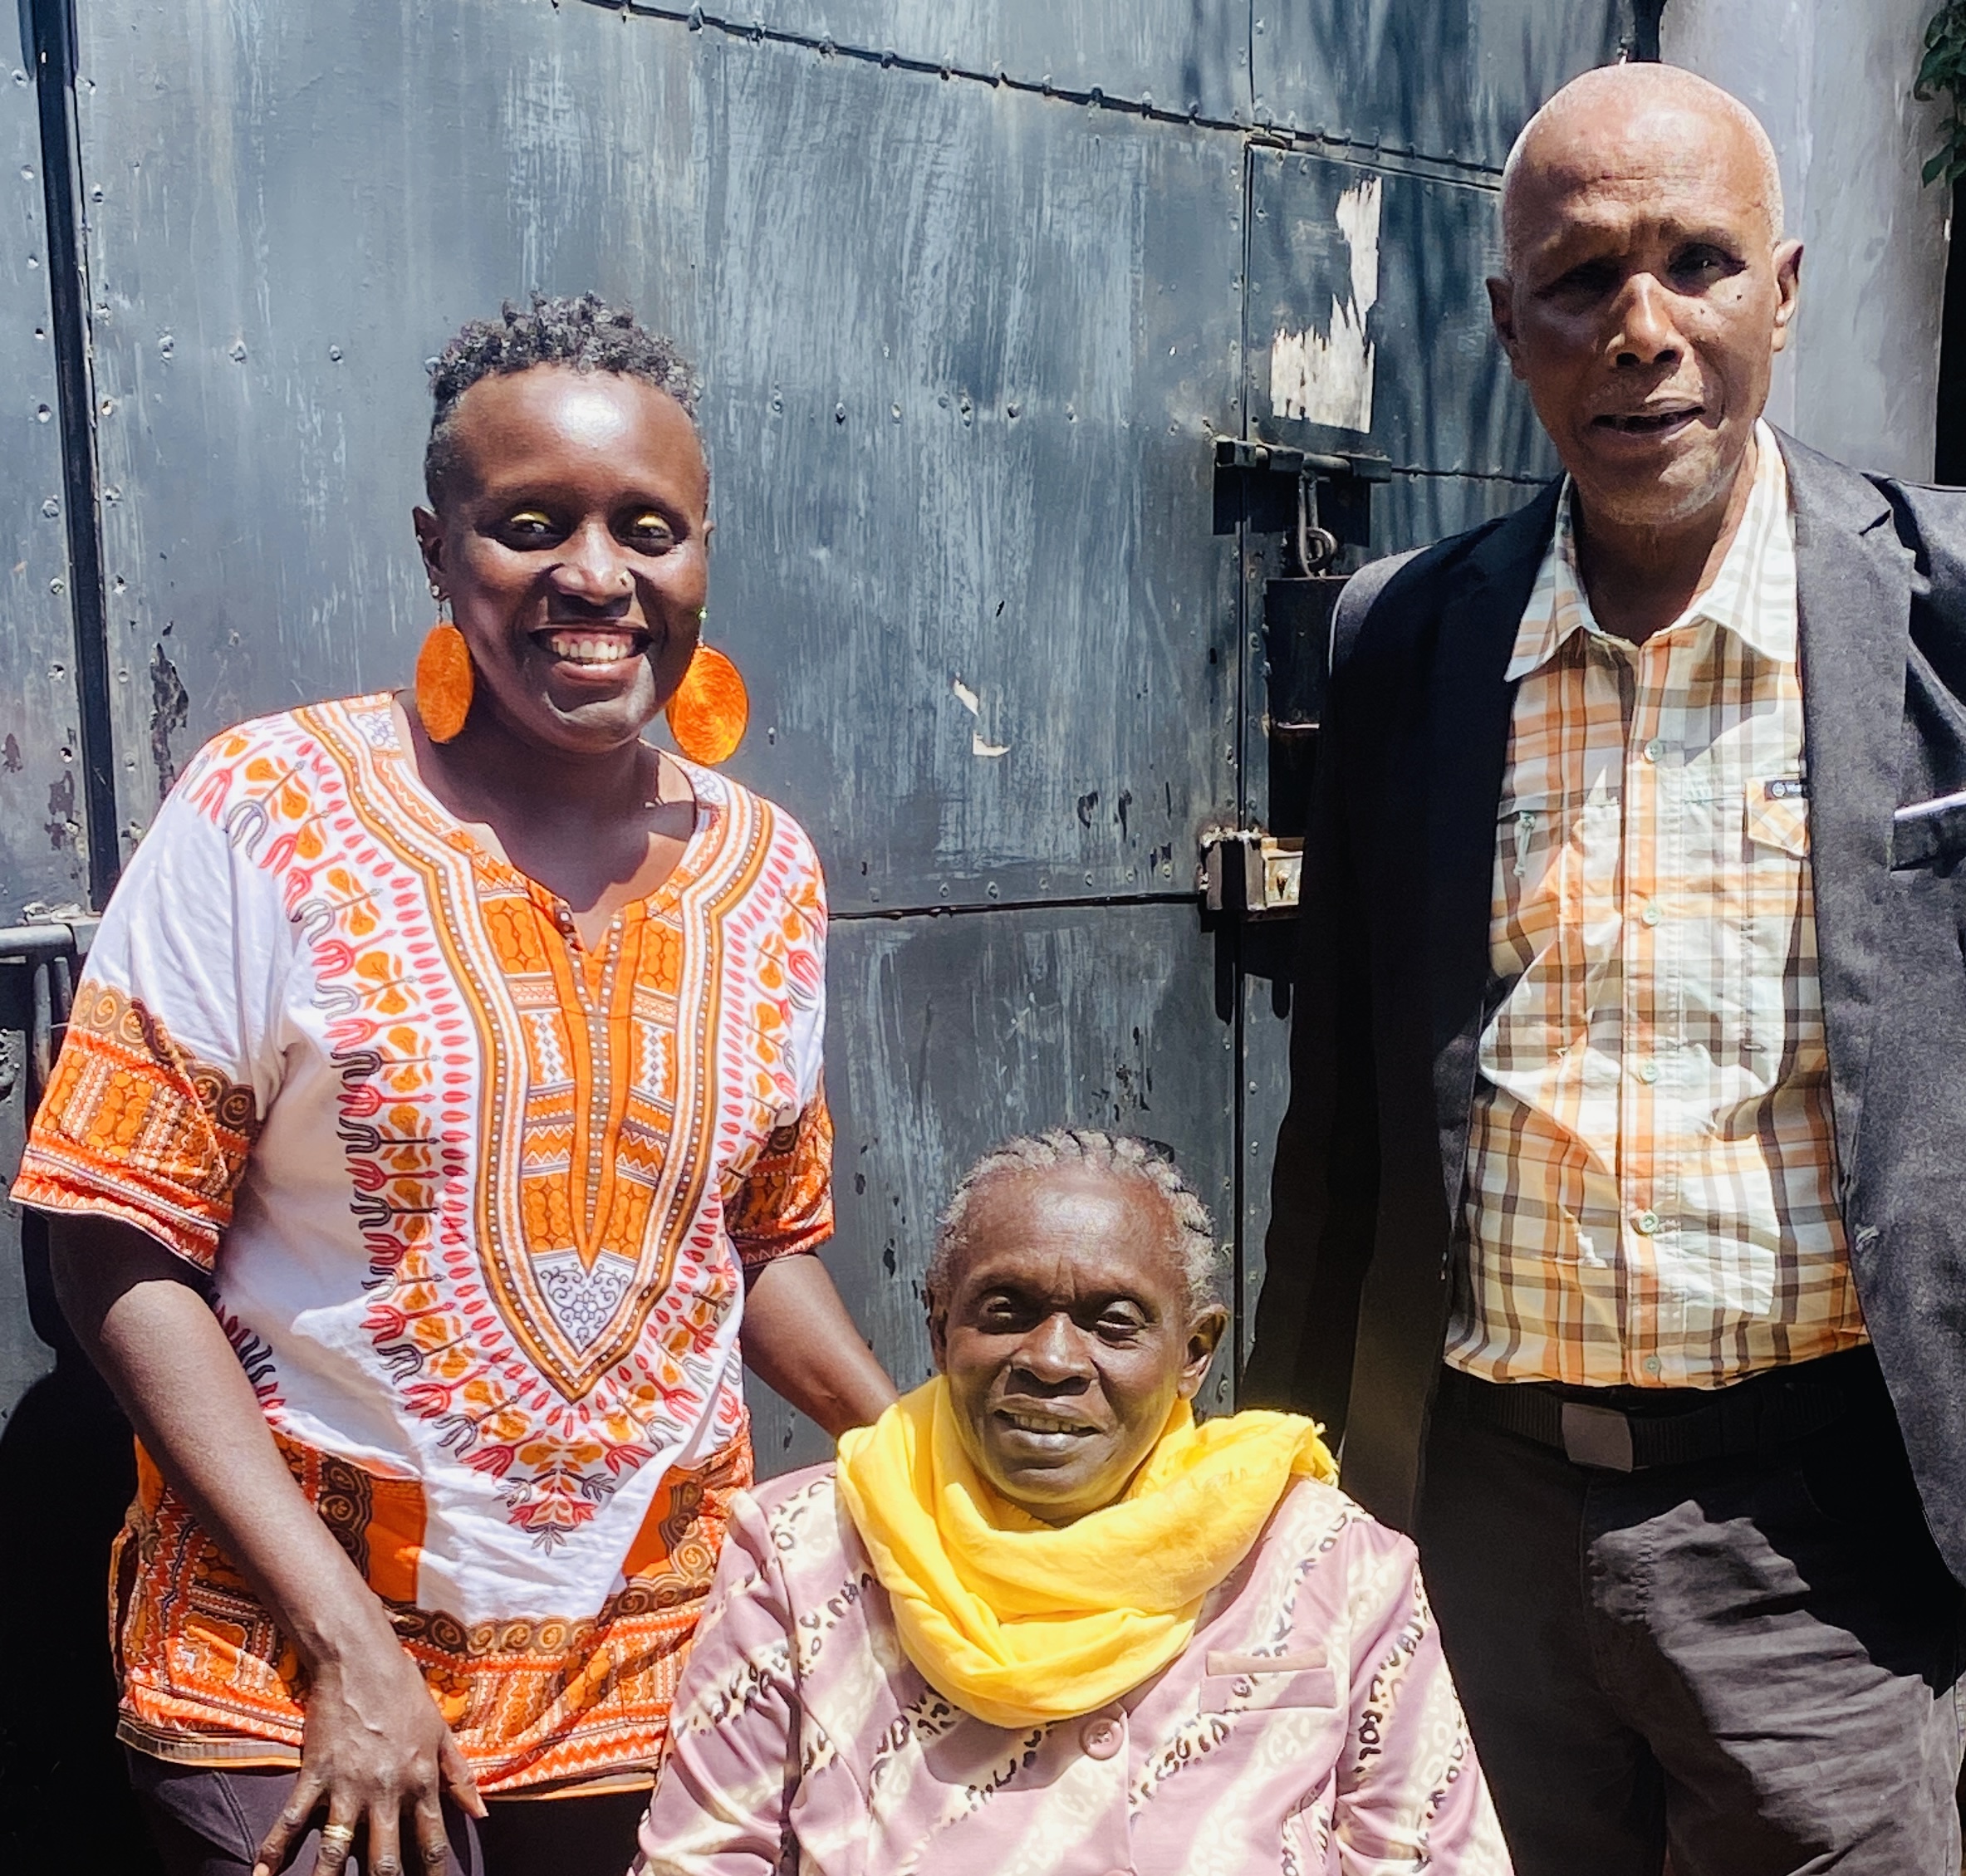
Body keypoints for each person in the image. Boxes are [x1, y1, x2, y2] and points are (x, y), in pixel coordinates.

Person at [1244, 62, 1966, 1876]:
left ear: (1781, 294)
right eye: (1581, 280)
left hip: (1817, 1534)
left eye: (1697, 263)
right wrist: (1289, 1482)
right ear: (1508, 323)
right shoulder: (1408, 633)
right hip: (1465, 1517)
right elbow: (1339, 1122)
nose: (1643, 331)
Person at [15, 292, 898, 1876]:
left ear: (701, 554)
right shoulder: (273, 806)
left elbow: (759, 1241)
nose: (594, 575)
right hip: (295, 1686)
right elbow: (114, 1239)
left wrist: (912, 1450)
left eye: (649, 526)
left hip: (662, 1680)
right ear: (438, 550)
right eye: (529, 523)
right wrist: (350, 1644)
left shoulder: (766, 865)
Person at [634, 1129, 1511, 1876]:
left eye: (1114, 1320)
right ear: (940, 1331)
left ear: (1195, 1352)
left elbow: (1430, 1852)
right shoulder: (804, 1549)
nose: (1052, 1359)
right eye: (1006, 1311)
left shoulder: (1329, 1561)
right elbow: (700, 1857)